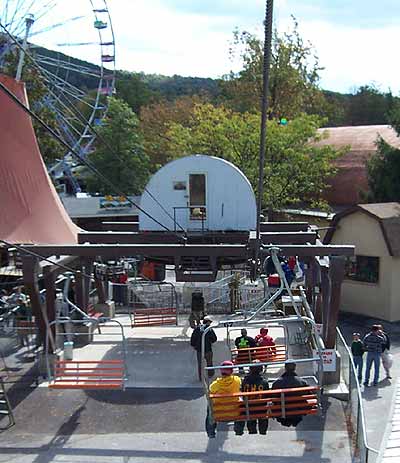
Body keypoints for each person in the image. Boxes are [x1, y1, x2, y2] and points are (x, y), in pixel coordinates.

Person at [206, 360, 242, 438]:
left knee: (209, 406)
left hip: (218, 413)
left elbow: (210, 393)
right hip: (234, 412)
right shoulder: (237, 380)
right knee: (240, 400)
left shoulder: (215, 385)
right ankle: (239, 429)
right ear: (232, 371)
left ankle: (211, 431)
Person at [236, 360, 269, 435]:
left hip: (248, 409)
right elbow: (267, 397)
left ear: (250, 369)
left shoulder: (245, 381)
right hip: (262, 409)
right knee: (264, 410)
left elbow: (243, 394)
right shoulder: (264, 382)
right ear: (261, 370)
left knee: (247, 408)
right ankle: (263, 431)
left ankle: (252, 431)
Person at [272, 361, 308, 427]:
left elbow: (273, 399)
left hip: (282, 412)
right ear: (294, 368)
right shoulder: (302, 382)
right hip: (298, 412)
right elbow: (307, 396)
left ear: (285, 368)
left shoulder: (276, 383)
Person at [190, 316, 217, 381]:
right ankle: (210, 374)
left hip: (199, 350)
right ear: (208, 322)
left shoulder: (197, 329)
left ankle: (201, 377)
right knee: (209, 362)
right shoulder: (209, 329)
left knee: (200, 364)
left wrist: (194, 345)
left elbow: (193, 339)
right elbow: (214, 339)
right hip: (208, 349)